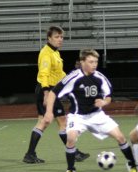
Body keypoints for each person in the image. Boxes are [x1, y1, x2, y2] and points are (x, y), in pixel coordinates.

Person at [44, 48, 138, 172]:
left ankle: (132, 164)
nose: (94, 64)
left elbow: (108, 96)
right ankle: (70, 170)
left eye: (96, 61)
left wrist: (104, 102)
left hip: (96, 115)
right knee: (70, 138)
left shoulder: (99, 77)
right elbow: (53, 93)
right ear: (82, 62)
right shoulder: (73, 77)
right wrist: (48, 112)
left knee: (120, 137)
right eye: (91, 61)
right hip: (78, 116)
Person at [22, 25, 89, 164]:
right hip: (47, 90)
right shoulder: (46, 53)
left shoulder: (55, 53)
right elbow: (44, 74)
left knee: (48, 122)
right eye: (57, 37)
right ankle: (73, 152)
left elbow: (59, 74)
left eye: (61, 37)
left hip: (51, 90)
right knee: (56, 121)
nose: (60, 40)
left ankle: (30, 154)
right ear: (49, 38)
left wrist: (73, 78)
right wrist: (47, 94)